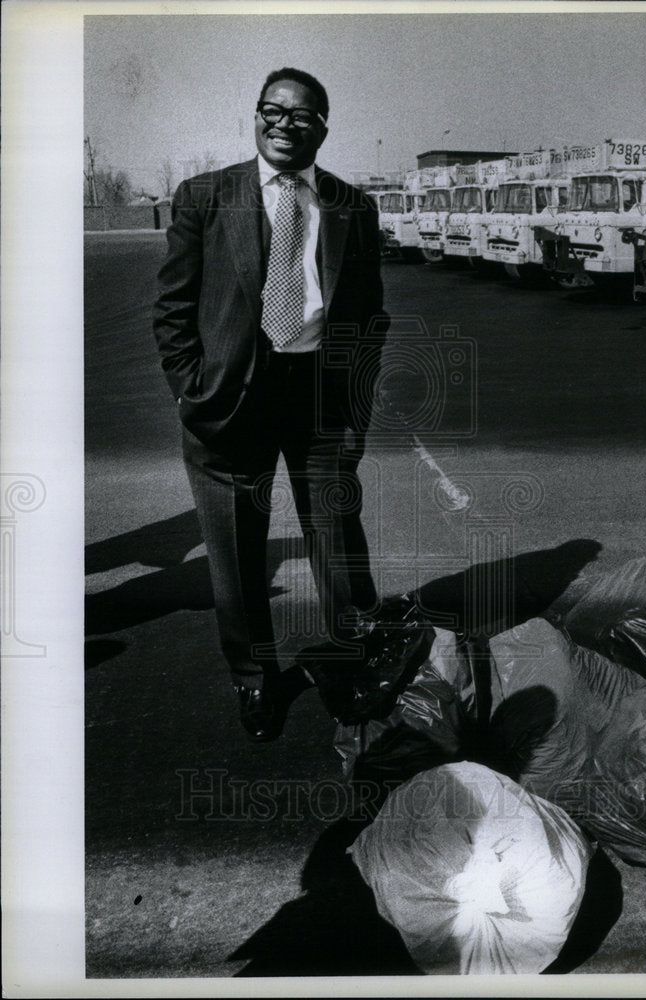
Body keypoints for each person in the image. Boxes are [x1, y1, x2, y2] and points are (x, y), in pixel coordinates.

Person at [153, 67, 389, 742]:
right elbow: (172, 306)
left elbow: (370, 318)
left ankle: (351, 665)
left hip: (317, 394)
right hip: (229, 401)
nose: (285, 125)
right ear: (255, 118)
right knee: (234, 550)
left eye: (301, 115)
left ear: (322, 126)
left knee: (337, 540)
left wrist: (354, 409)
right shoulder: (205, 196)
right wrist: (191, 388)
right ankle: (254, 678)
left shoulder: (350, 205)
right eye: (272, 112)